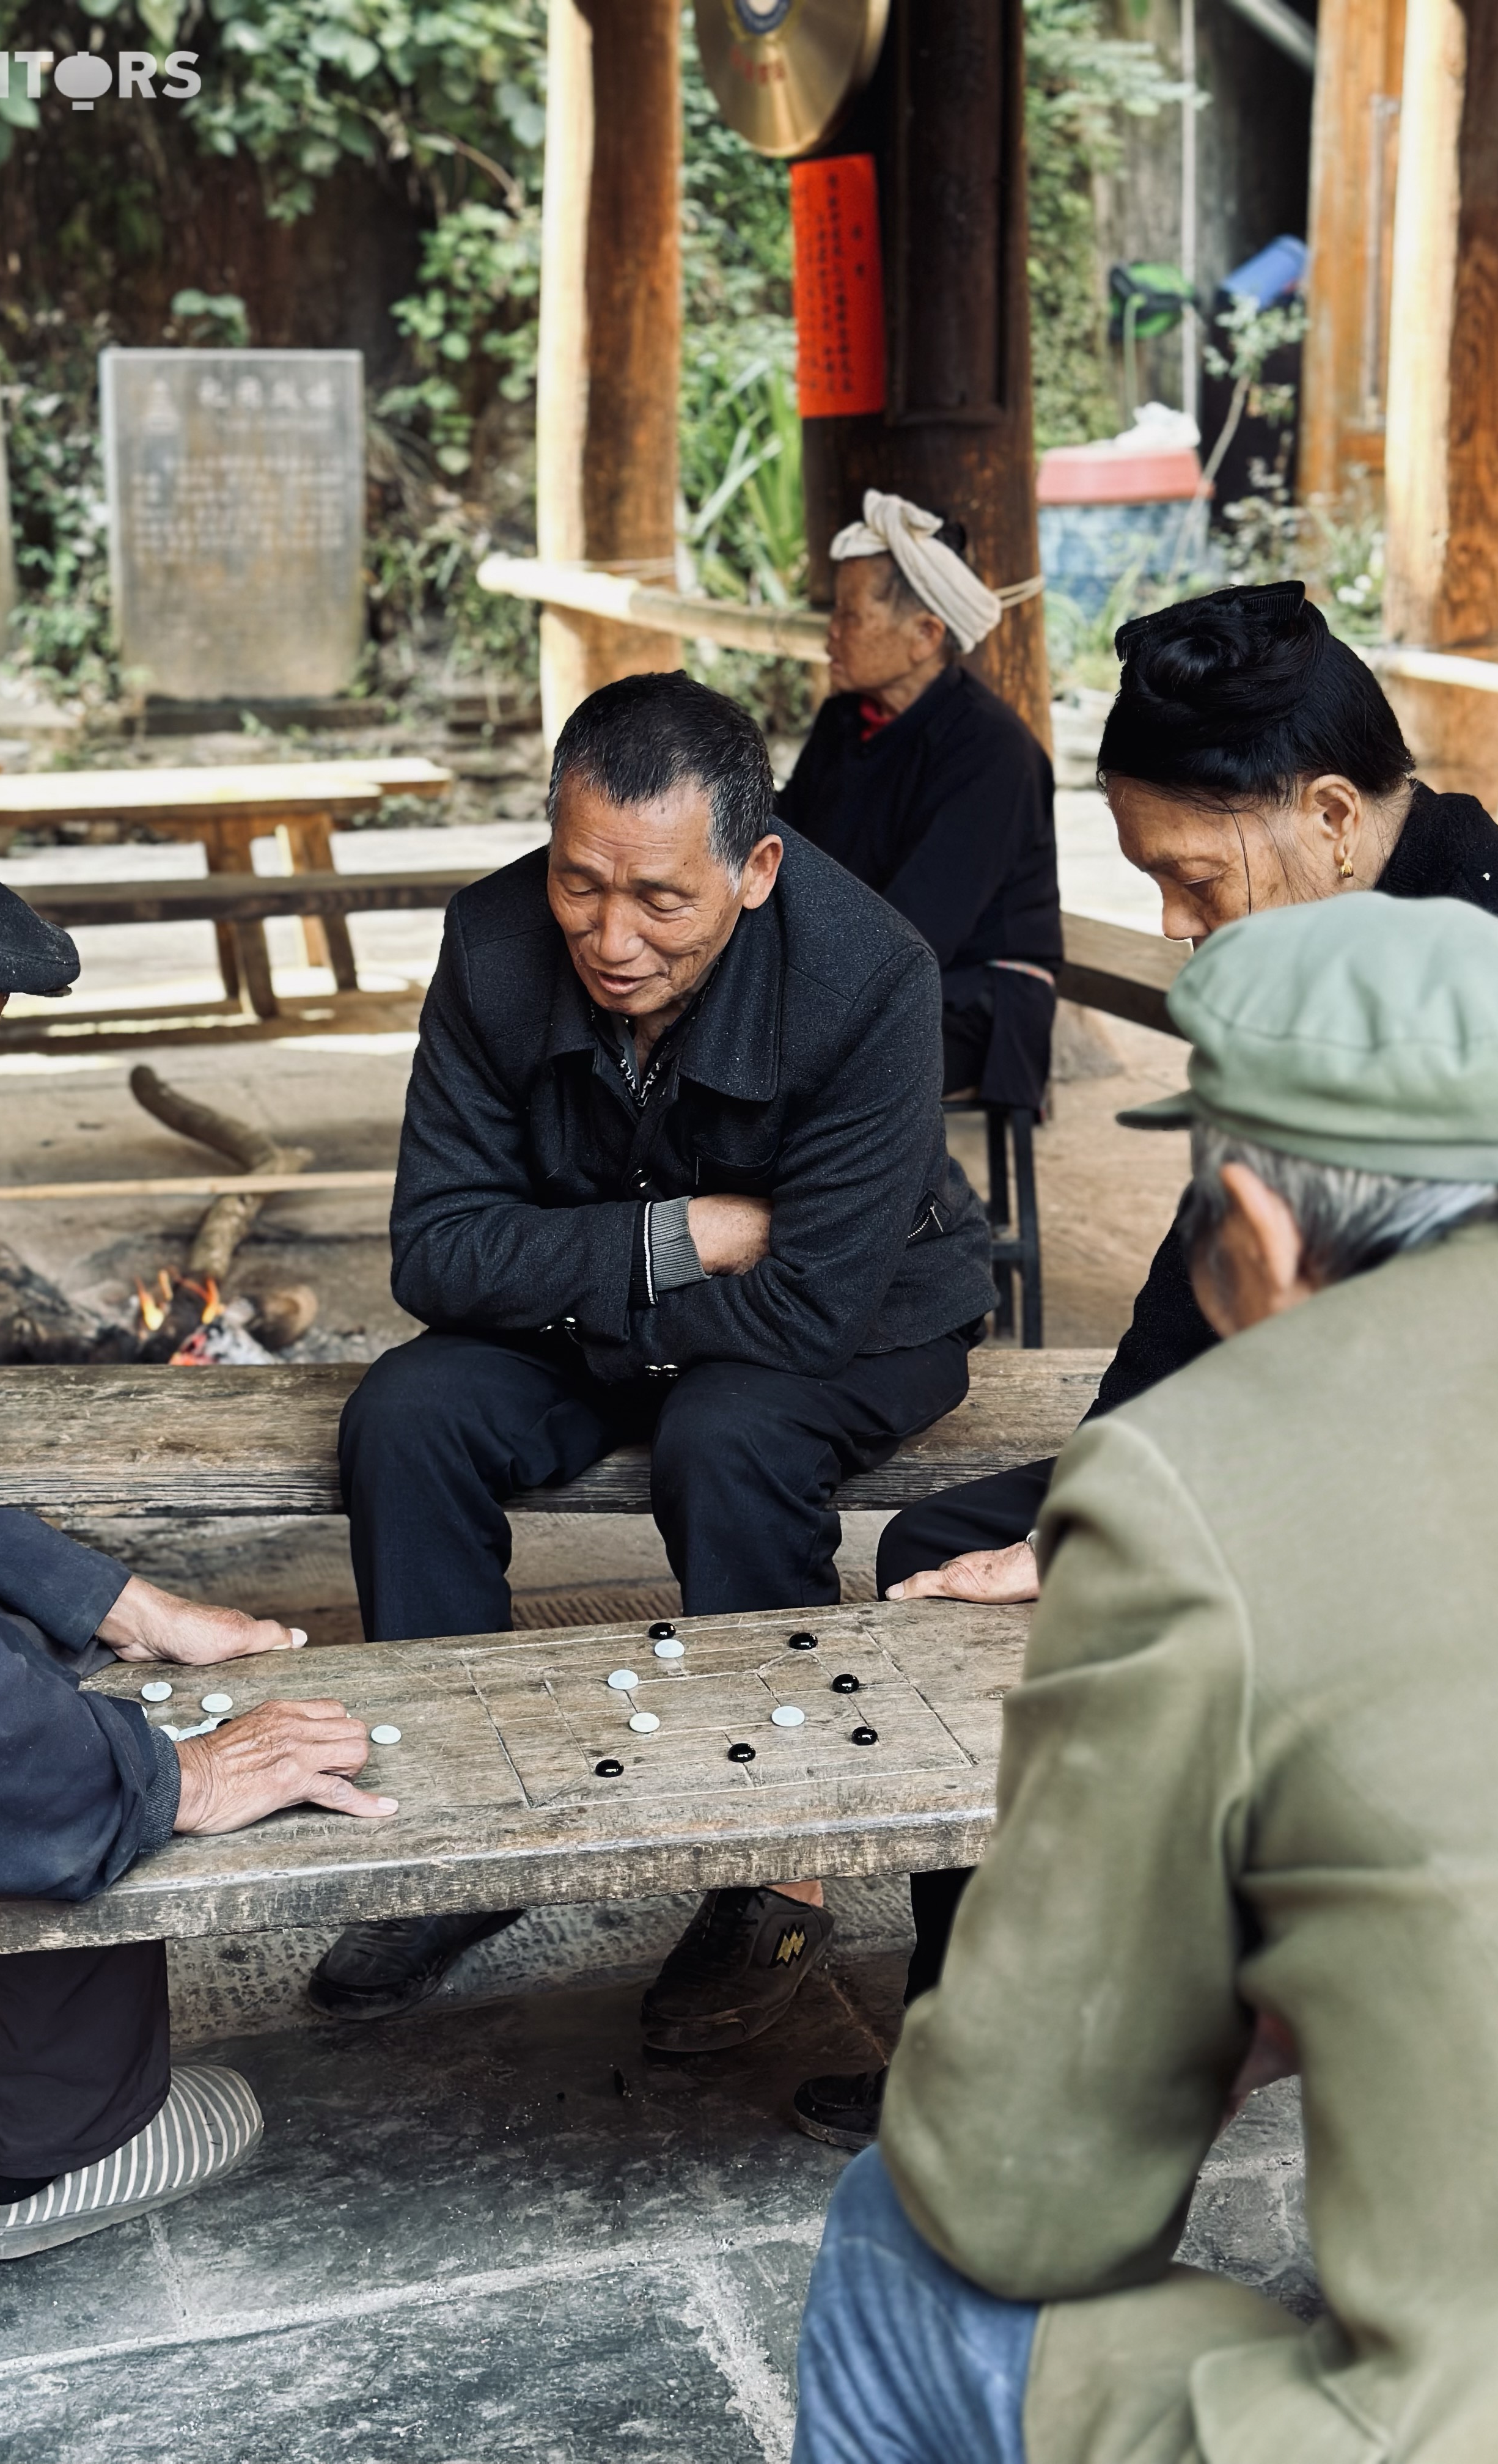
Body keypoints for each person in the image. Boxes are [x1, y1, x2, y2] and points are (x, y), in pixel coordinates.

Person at [791, 576, 1498, 2150]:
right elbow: (1194, 1277)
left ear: (1337, 814)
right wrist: (1091, 1500)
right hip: (1340, 1454)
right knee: (965, 1542)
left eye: (1192, 876)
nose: (1170, 922)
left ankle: (1122, 2041)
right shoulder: (1315, 942)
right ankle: (984, 2036)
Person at [792, 890, 1498, 2464]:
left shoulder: (1202, 1478)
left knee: (906, 2234)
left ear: (1264, 1237)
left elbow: (1022, 2200)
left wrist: (1204, 2013)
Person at [0, 784, 397, 2264]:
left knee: (12, 1630)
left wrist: (112, 1591)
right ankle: (63, 2139)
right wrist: (168, 1774)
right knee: (5, 1694)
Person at [314, 670, 994, 2047]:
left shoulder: (871, 975)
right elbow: (433, 1254)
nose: (610, 940)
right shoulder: (494, 941)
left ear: (755, 867)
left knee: (732, 1436)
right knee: (407, 1415)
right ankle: (465, 1836)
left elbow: (810, 1311)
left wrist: (570, 1280)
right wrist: (672, 1242)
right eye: (580, 885)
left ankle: (773, 1865)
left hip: (867, 1319)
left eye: (661, 902)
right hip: (619, 1301)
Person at [775, 490, 1060, 1111]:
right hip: (865, 978)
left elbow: (918, 932)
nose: (831, 635)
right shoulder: (845, 720)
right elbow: (782, 844)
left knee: (778, 1068)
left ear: (925, 635)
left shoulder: (994, 753)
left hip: (970, 1000)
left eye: (849, 617)